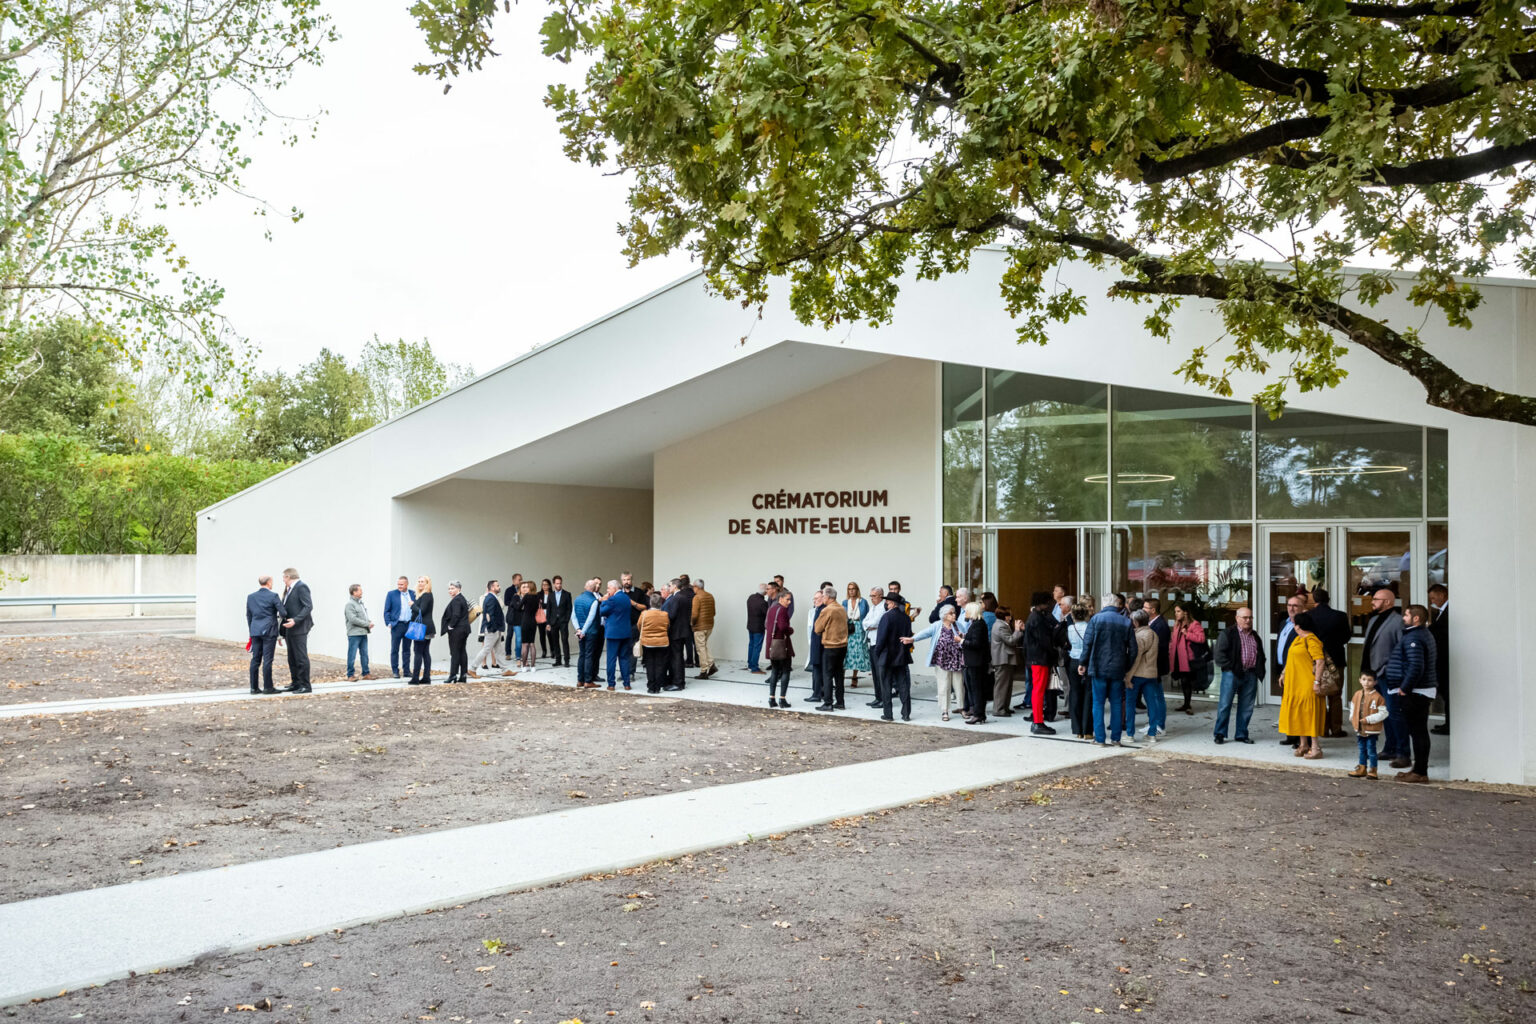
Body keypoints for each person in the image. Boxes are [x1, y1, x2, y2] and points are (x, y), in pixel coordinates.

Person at [1380, 604, 1439, 784]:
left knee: (1418, 731)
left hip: (1416, 692)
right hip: (1418, 690)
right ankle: (1418, 769)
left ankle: (1420, 772)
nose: (1403, 618)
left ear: (1416, 618)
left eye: (1406, 615)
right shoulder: (1419, 634)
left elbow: (1416, 666)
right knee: (1417, 731)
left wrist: (1404, 688)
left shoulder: (1414, 637)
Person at [1079, 594, 1137, 746]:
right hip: (1118, 668)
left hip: (1098, 667)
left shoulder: (1096, 619)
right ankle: (1116, 739)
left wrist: (1083, 662)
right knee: (1116, 703)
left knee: (1098, 703)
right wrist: (1127, 666)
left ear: (1104, 605)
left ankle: (1100, 738)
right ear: (1117, 604)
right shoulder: (1126, 621)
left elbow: (1088, 643)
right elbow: (1133, 649)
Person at [1361, 588, 1407, 766]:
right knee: (1384, 714)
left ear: (1388, 602)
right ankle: (1390, 747)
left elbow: (1401, 650)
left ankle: (1402, 752)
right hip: (1374, 676)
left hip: (1388, 675)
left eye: (1376, 599)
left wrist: (1390, 670)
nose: (1372, 601)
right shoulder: (1373, 619)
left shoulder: (1397, 622)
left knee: (1395, 714)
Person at [1212, 607, 1265, 744]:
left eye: (1250, 618)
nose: (1248, 620)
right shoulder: (1228, 633)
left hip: (1250, 674)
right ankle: (1220, 734)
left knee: (1247, 706)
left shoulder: (1255, 635)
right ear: (1237, 618)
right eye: (1245, 618)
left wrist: (1259, 669)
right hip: (1232, 674)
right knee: (1225, 704)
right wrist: (1232, 667)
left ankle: (1241, 734)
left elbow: (1261, 655)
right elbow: (1219, 656)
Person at [1278, 611, 1327, 758]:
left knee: (1309, 714)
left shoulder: (1311, 640)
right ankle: (1303, 744)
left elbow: (1320, 661)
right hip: (1295, 684)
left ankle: (1316, 748)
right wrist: (1283, 673)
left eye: (1294, 623)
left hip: (1307, 683)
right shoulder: (1298, 639)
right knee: (1299, 714)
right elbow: (1290, 658)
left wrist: (1317, 682)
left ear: (1297, 625)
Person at [910, 604, 966, 720]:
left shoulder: (958, 625)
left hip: (956, 660)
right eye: (951, 613)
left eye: (954, 612)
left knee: (959, 685)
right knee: (943, 686)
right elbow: (925, 633)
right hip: (941, 660)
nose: (954, 615)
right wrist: (912, 639)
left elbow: (966, 637)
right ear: (944, 615)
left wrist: (962, 636)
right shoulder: (937, 626)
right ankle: (944, 710)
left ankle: (961, 708)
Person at [1309, 587, 1351, 738]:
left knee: (1318, 694)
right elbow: (1347, 637)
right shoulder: (1340, 616)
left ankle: (1322, 728)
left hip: (1315, 661)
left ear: (1314, 600)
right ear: (1328, 599)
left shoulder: (1309, 616)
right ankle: (1336, 729)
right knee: (1336, 695)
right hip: (1336, 660)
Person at [1125, 609, 1165, 743]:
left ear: (1135, 622)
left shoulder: (1138, 636)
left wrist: (1128, 677)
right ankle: (1152, 733)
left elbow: (1136, 658)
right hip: (1151, 673)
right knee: (1152, 704)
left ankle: (1130, 734)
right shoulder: (1154, 634)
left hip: (1137, 674)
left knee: (1130, 704)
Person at [1022, 594, 1058, 733]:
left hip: (1034, 658)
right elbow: (1044, 641)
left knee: (1037, 690)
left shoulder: (1034, 617)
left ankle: (1038, 720)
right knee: (1039, 690)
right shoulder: (1038, 619)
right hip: (1040, 658)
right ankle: (1038, 722)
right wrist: (1053, 652)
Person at [245, 574, 284, 694]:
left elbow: (249, 615)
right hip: (269, 631)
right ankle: (268, 687)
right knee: (267, 660)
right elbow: (283, 612)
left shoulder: (251, 597)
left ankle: (254, 688)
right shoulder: (273, 596)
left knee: (255, 659)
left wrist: (252, 631)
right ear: (269, 583)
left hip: (255, 631)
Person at [1347, 672, 1390, 779]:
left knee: (1371, 750)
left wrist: (1368, 719)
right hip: (1360, 728)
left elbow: (1384, 713)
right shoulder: (1357, 694)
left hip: (1371, 730)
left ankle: (1373, 770)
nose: (1366, 682)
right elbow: (1352, 706)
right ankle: (1362, 768)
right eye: (1364, 679)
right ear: (1360, 680)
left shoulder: (1378, 697)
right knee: (1362, 749)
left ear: (1375, 682)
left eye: (1370, 680)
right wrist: (1352, 717)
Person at [880, 592, 915, 721]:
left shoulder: (886, 617)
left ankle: (888, 714)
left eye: (887, 602)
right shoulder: (905, 618)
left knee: (886, 685)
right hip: (901, 655)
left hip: (887, 655)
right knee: (903, 685)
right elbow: (908, 634)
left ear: (892, 603)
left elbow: (881, 639)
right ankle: (906, 714)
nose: (886, 604)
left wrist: (878, 653)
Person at [813, 585, 849, 711]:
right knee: (839, 675)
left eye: (823, 596)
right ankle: (840, 702)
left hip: (830, 646)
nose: (822, 598)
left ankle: (828, 703)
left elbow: (817, 628)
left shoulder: (827, 610)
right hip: (843, 646)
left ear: (827, 597)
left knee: (827, 675)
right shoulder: (842, 608)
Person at [1275, 594, 1304, 747]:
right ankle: (1291, 735)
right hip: (1283, 669)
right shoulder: (1283, 623)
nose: (1291, 608)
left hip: (1296, 671)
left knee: (1298, 706)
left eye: (1295, 606)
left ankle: (1301, 739)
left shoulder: (1304, 626)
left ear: (1302, 608)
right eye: (1289, 605)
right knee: (1287, 705)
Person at [280, 568, 314, 694]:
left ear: (288, 576)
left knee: (300, 657)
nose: (283, 580)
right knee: (292, 657)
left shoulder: (301, 587)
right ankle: (296, 683)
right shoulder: (289, 590)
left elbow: (308, 606)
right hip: (289, 628)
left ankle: (305, 685)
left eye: (284, 577)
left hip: (299, 627)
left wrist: (295, 620)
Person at [1168, 604, 1207, 713]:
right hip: (1179, 658)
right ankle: (1186, 704)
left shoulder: (1194, 624)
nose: (1176, 614)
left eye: (1178, 611)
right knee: (1183, 681)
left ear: (1185, 612)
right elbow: (1173, 641)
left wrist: (1187, 634)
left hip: (1189, 659)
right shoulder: (1177, 625)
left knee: (1187, 681)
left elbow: (1201, 639)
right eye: (1175, 611)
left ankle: (1187, 704)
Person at [596, 580, 635, 689]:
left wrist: (604, 600)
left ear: (614, 588)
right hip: (625, 632)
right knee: (624, 658)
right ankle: (627, 684)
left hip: (613, 633)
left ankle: (611, 684)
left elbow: (602, 612)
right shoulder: (626, 598)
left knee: (611, 659)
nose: (607, 590)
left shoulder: (612, 599)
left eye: (608, 588)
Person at [960, 601, 991, 725]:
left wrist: (962, 640)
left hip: (976, 662)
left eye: (967, 610)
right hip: (976, 661)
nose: (965, 613)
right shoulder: (977, 624)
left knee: (977, 689)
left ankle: (978, 714)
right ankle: (980, 714)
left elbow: (976, 644)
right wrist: (965, 637)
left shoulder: (978, 625)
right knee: (977, 688)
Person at [1062, 604, 1091, 738]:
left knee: (1075, 692)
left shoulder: (1070, 628)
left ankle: (1077, 729)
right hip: (1086, 661)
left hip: (1073, 661)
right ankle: (1087, 729)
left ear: (1073, 615)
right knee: (1087, 694)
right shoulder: (1089, 627)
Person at [989, 605, 1023, 718]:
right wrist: (1017, 630)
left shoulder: (1002, 625)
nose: (1011, 617)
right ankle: (999, 709)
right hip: (1002, 659)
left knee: (1007, 685)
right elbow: (1010, 640)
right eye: (1009, 615)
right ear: (1005, 616)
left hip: (1004, 659)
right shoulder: (1000, 626)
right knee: (1002, 685)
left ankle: (1004, 707)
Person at [763, 589, 795, 708]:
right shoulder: (782, 610)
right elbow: (783, 627)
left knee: (775, 671)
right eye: (787, 599)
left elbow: (767, 625)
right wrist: (790, 630)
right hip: (782, 645)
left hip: (772, 645)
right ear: (780, 599)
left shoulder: (772, 609)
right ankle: (782, 699)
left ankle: (772, 698)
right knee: (786, 670)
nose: (789, 602)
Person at [663, 576, 694, 691]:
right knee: (678, 657)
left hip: (676, 631)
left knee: (676, 658)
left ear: (675, 586)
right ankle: (678, 680)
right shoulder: (684, 597)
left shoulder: (676, 598)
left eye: (670, 586)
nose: (669, 587)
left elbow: (671, 615)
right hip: (683, 630)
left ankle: (678, 682)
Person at [383, 576, 416, 680]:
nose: (399, 586)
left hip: (409, 625)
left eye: (401, 584)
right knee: (395, 649)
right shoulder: (391, 594)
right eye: (398, 584)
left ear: (407, 584)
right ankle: (395, 671)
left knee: (407, 650)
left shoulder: (413, 594)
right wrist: (389, 623)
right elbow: (386, 610)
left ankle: (406, 671)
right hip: (397, 625)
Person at [638, 593, 672, 693]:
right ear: (661, 603)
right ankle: (657, 686)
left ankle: (651, 686)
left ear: (650, 603)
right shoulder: (665, 614)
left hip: (648, 643)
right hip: (662, 643)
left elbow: (639, 626)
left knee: (649, 664)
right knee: (660, 665)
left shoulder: (644, 614)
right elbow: (668, 626)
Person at [1428, 584, 1450, 735]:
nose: (1432, 601)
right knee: (1446, 693)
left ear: (1442, 595)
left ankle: (1450, 724)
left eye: (1433, 598)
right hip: (1441, 660)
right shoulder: (1441, 612)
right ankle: (1448, 723)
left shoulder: (1449, 611)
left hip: (1445, 660)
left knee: (1448, 693)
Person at [861, 586, 888, 708]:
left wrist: (870, 625)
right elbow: (864, 622)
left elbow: (876, 622)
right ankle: (877, 697)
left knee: (881, 673)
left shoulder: (884, 607)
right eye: (870, 596)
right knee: (875, 673)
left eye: (874, 596)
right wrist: (869, 625)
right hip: (871, 642)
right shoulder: (873, 607)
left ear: (880, 596)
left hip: (879, 643)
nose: (872, 598)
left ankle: (884, 699)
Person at [573, 578, 603, 688]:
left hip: (580, 631)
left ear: (585, 587)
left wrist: (578, 629)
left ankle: (579, 680)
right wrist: (584, 631)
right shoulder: (594, 601)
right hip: (591, 631)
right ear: (594, 588)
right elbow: (590, 618)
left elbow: (573, 616)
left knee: (582, 655)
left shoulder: (577, 599)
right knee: (589, 656)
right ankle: (588, 680)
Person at [407, 576, 435, 685]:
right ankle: (426, 677)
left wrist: (412, 605)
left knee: (418, 652)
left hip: (422, 628)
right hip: (426, 627)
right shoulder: (423, 595)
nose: (420, 583)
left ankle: (415, 678)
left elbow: (421, 611)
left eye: (422, 581)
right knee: (425, 652)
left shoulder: (426, 595)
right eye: (418, 581)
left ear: (427, 583)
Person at [441, 581, 471, 683]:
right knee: (462, 652)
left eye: (452, 588)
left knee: (455, 653)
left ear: (459, 589)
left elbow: (456, 615)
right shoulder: (461, 598)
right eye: (449, 589)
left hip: (457, 630)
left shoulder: (457, 600)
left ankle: (453, 675)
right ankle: (463, 675)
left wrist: (450, 626)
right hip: (464, 629)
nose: (450, 591)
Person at [474, 580, 506, 676]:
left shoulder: (494, 598)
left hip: (494, 628)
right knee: (486, 649)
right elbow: (489, 615)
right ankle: (472, 668)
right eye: (497, 585)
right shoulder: (490, 598)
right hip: (492, 629)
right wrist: (493, 628)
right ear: (492, 587)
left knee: (498, 650)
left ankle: (505, 669)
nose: (499, 587)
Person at [843, 583, 871, 688]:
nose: (851, 591)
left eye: (853, 589)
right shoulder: (845, 602)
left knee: (858, 653)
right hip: (848, 627)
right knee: (846, 652)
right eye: (849, 589)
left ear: (857, 590)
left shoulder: (863, 602)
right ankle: (842, 675)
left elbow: (867, 616)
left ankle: (855, 677)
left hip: (859, 627)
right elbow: (842, 615)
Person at [344, 584, 374, 681]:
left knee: (364, 654)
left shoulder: (360, 603)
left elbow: (363, 617)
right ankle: (350, 675)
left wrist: (368, 622)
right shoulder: (350, 604)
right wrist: (366, 624)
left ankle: (366, 673)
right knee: (352, 654)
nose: (362, 592)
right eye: (360, 590)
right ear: (354, 592)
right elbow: (352, 619)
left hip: (363, 633)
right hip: (354, 634)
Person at [691, 577, 717, 679]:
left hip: (699, 627)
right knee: (704, 645)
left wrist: (692, 624)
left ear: (697, 587)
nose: (693, 588)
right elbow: (714, 612)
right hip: (709, 625)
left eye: (693, 586)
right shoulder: (710, 596)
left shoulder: (697, 597)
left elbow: (694, 614)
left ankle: (703, 671)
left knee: (700, 648)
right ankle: (711, 665)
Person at [546, 576, 572, 667]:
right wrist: (548, 623)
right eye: (557, 583)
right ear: (553, 584)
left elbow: (569, 609)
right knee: (555, 641)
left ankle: (567, 660)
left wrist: (566, 620)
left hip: (563, 621)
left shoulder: (567, 594)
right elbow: (548, 610)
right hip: (553, 622)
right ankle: (558, 660)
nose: (559, 585)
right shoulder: (551, 595)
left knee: (564, 640)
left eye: (560, 583)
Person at [745, 583, 770, 674]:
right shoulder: (763, 603)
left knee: (751, 645)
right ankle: (754, 667)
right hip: (758, 628)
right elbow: (768, 614)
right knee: (757, 647)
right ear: (766, 592)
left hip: (750, 626)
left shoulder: (751, 597)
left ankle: (749, 664)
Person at [516, 581, 541, 668]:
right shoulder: (537, 597)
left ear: (530, 588)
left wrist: (524, 609)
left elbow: (519, 608)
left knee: (524, 644)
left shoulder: (526, 596)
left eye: (527, 586)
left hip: (525, 621)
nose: (526, 588)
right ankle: (533, 666)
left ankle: (524, 666)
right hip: (533, 622)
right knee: (532, 644)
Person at [502, 572, 525, 661]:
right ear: (514, 580)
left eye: (521, 579)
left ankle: (518, 654)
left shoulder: (523, 589)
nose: (521, 581)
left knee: (519, 636)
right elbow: (506, 602)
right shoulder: (509, 590)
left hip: (521, 616)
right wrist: (515, 602)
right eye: (519, 579)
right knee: (510, 635)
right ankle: (508, 653)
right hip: (512, 615)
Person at [536, 579, 554, 659]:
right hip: (541, 617)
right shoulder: (539, 594)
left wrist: (543, 604)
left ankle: (552, 651)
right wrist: (546, 605)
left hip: (550, 617)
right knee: (542, 635)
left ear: (549, 585)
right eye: (543, 584)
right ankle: (544, 651)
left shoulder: (552, 594)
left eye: (546, 584)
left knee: (550, 634)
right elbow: (539, 605)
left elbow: (552, 606)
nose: (544, 586)